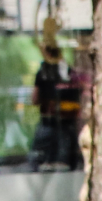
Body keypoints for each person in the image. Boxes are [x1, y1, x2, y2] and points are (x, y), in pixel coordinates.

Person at [30, 41, 75, 171]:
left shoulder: (43, 72)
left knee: (37, 157)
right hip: (65, 121)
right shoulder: (67, 71)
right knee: (63, 161)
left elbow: (35, 98)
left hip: (48, 120)